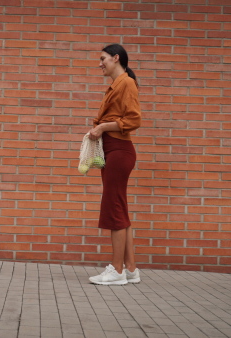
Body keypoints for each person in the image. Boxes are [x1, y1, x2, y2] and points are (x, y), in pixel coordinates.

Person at [88, 44, 142, 285]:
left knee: (113, 208)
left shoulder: (126, 83)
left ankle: (117, 271)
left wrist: (102, 127)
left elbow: (133, 119)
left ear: (116, 58)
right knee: (119, 208)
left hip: (119, 150)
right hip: (113, 150)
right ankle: (130, 268)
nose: (100, 63)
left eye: (103, 59)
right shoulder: (115, 86)